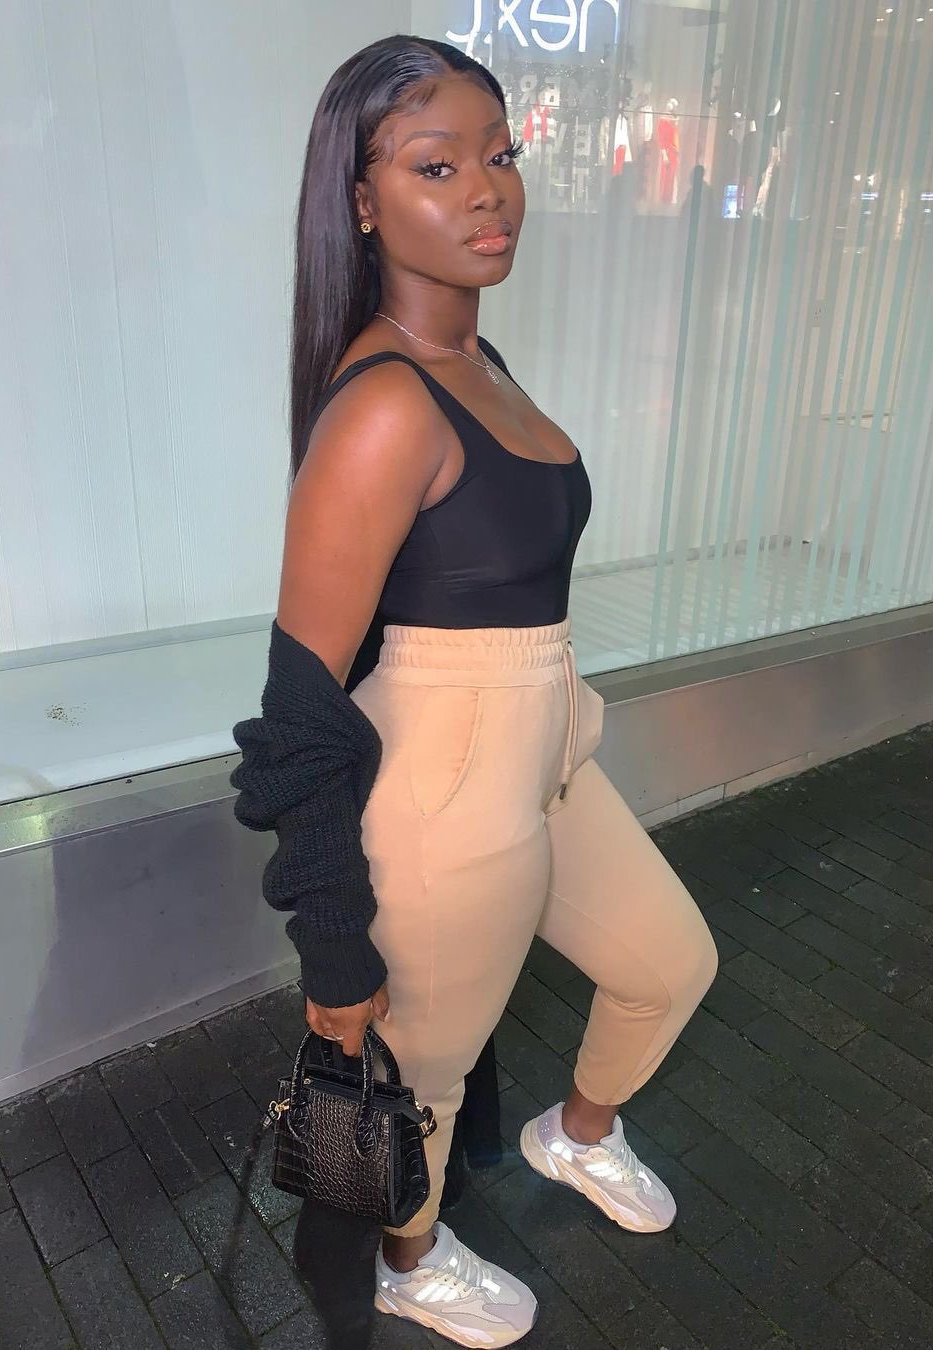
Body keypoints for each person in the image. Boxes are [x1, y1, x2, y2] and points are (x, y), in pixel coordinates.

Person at [240, 34, 718, 1349]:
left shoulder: (480, 363)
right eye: (437, 165)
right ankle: (406, 1258)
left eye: (499, 155)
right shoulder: (384, 409)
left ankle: (579, 1135)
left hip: (542, 755)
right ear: (361, 200)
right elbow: (296, 711)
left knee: (670, 962)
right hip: (446, 799)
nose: (489, 190)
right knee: (423, 1088)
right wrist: (336, 949)